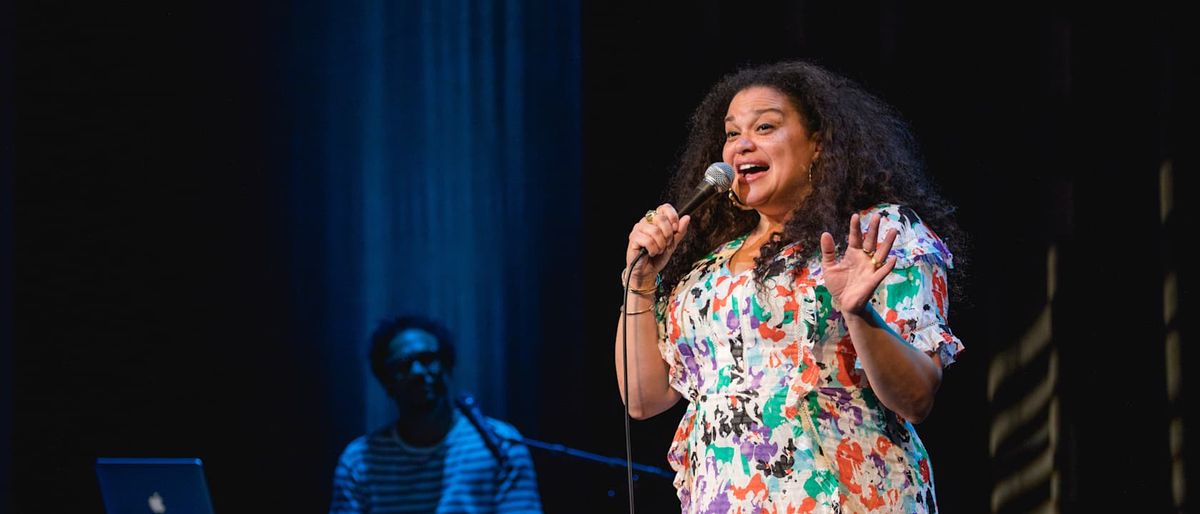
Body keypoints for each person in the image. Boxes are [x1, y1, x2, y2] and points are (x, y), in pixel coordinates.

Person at [615, 61, 967, 513]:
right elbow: (644, 400)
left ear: (818, 144)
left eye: (765, 127)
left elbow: (916, 398)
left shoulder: (874, 234)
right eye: (731, 133)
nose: (742, 145)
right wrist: (640, 284)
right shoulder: (707, 272)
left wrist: (858, 314)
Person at [331, 315, 543, 513]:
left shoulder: (502, 445)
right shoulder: (358, 461)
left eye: (427, 359)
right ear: (386, 381)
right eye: (403, 365)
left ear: (447, 365)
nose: (418, 372)